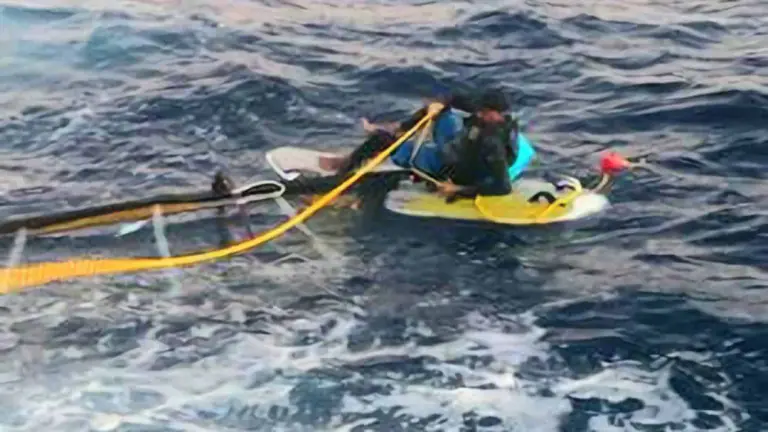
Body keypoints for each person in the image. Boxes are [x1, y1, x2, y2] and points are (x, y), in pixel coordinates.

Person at [321, 88, 524, 202]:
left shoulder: (493, 143)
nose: (478, 113)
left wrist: (458, 190)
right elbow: (456, 98)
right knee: (437, 109)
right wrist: (439, 104)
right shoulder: (495, 117)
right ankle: (400, 128)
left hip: (449, 166)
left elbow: (502, 187)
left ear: (496, 113)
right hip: (460, 146)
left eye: (483, 112)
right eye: (479, 109)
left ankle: (340, 176)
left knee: (382, 141)